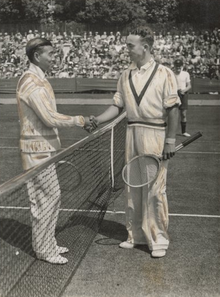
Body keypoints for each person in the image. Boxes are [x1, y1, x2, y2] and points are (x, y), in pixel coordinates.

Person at [89, 27, 181, 258]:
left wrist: (170, 140)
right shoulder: (125, 74)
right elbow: (117, 105)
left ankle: (158, 238)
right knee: (134, 187)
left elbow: (173, 109)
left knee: (155, 190)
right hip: (132, 132)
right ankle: (136, 235)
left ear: (146, 47)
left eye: (130, 45)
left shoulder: (164, 73)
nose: (126, 49)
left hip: (155, 134)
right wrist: (97, 120)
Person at [16, 38, 94, 264]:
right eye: (50, 54)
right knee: (44, 199)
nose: (54, 57)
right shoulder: (29, 81)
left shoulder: (41, 79)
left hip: (47, 148)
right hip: (35, 150)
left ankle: (47, 243)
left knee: (52, 197)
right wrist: (81, 120)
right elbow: (48, 117)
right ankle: (44, 250)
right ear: (37, 56)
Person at [173, 59, 192, 137]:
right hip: (174, 94)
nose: (178, 67)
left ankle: (183, 132)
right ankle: (171, 131)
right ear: (174, 66)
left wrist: (184, 91)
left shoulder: (186, 74)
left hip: (183, 95)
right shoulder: (171, 73)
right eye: (177, 66)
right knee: (172, 114)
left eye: (179, 66)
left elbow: (189, 86)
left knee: (183, 114)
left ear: (182, 66)